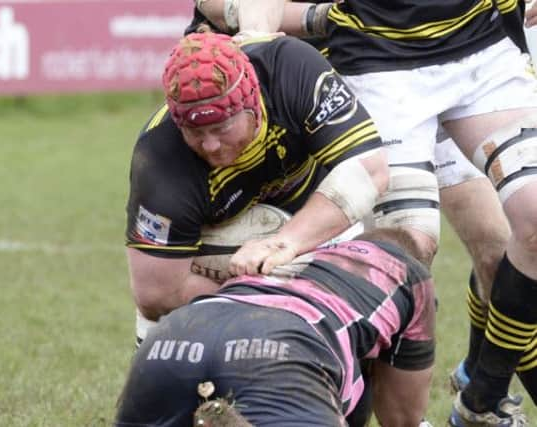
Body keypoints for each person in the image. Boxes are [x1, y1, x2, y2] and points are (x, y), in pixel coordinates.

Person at [193, 1, 537, 424]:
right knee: (403, 259)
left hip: (481, 54)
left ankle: (482, 399)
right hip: (380, 68)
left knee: (515, 238)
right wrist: (259, 38)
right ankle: (374, 412)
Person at [125, 30, 389, 344]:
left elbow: (370, 171)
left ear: (254, 103)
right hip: (217, 277)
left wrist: (282, 245)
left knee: (383, 308)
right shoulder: (160, 159)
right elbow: (156, 295)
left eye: (222, 127)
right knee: (159, 341)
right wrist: (271, 295)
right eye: (195, 131)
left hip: (316, 216)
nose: (210, 145)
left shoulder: (291, 69)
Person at [115, 227, 436, 427]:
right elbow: (402, 418)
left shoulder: (297, 252)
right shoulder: (410, 274)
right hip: (281, 343)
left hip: (175, 334)